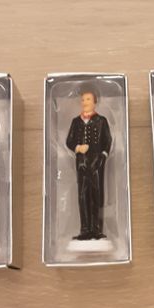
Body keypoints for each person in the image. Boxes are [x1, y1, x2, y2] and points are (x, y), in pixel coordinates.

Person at [66, 90, 112, 240]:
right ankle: (85, 229)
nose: (85, 102)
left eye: (88, 99)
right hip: (82, 163)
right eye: (83, 100)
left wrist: (103, 157)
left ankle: (97, 229)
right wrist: (78, 148)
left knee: (97, 194)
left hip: (96, 162)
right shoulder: (76, 121)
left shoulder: (101, 120)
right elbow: (69, 141)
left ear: (94, 102)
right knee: (83, 195)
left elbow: (107, 141)